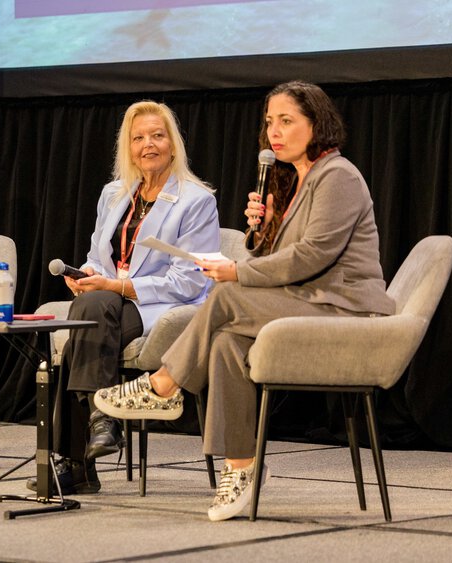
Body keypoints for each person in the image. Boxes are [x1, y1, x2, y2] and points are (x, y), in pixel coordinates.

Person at [95, 81, 396, 520]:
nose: (274, 131)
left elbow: (313, 256)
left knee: (227, 295)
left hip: (347, 307)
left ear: (317, 124)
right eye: (270, 122)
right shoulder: (299, 181)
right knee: (225, 344)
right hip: (313, 300)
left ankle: (164, 384)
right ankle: (241, 467)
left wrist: (240, 269)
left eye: (287, 121)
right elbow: (286, 259)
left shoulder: (338, 175)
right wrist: (265, 230)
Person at [27, 101, 220, 495]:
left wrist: (116, 287)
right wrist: (86, 275)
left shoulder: (196, 200)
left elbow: (190, 281)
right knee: (89, 310)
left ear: (173, 144)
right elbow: (100, 258)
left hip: (162, 307)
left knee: (88, 316)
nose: (148, 145)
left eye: (157, 135)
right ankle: (101, 423)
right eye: (138, 138)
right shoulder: (114, 193)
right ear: (127, 147)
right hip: (109, 304)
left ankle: (78, 458)